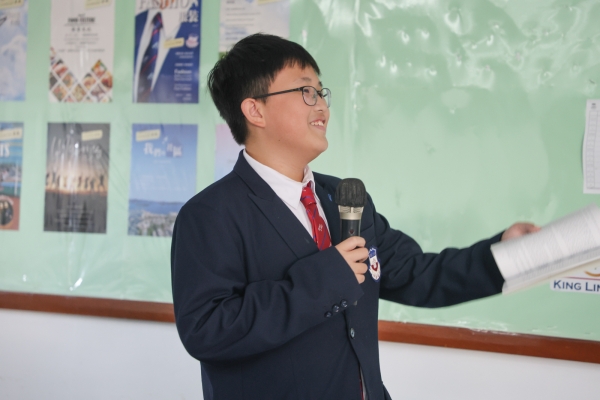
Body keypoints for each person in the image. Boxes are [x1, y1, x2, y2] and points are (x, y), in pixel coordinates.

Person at [170, 33, 539, 400]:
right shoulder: (209, 216)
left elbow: (417, 273)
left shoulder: (344, 198)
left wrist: (505, 253)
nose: (322, 106)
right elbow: (207, 330)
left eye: (322, 93)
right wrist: (327, 277)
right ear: (255, 111)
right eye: (306, 91)